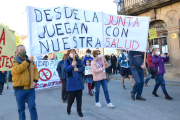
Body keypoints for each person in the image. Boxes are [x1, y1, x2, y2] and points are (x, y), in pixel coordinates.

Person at [12, 45, 39, 120]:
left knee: (32, 107)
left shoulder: (30, 61)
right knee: (21, 109)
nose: (23, 51)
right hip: (20, 90)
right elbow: (18, 70)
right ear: (17, 52)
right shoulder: (15, 61)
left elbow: (35, 71)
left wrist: (35, 81)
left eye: (24, 49)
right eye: (20, 50)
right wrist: (27, 61)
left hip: (30, 89)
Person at [64, 49, 84, 117]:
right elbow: (66, 70)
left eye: (74, 53)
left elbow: (82, 68)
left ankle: (79, 111)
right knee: (71, 98)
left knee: (79, 98)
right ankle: (68, 108)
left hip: (78, 82)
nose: (73, 54)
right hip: (71, 82)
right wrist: (72, 65)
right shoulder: (66, 61)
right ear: (69, 54)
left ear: (76, 54)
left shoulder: (79, 60)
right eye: (71, 53)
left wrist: (78, 69)